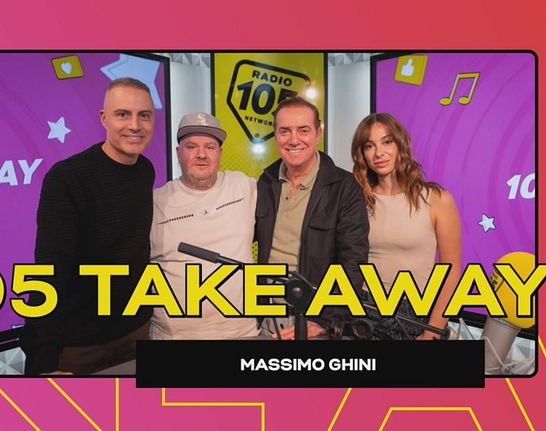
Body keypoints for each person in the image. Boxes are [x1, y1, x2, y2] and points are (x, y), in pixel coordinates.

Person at [21, 77, 156, 375]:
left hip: (137, 331)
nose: (135, 125)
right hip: (78, 346)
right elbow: (49, 271)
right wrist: (43, 358)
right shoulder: (68, 178)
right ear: (104, 118)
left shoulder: (145, 170)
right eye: (123, 114)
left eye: (144, 115)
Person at [255, 97, 369, 339]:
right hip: (266, 316)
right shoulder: (265, 182)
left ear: (318, 134)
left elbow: (353, 262)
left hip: (315, 319)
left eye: (303, 130)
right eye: (284, 131)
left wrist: (323, 321)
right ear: (275, 136)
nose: (293, 139)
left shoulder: (344, 187)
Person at [350, 113, 462, 340]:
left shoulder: (437, 199)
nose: (378, 153)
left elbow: (451, 271)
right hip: (362, 309)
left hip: (413, 313)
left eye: (387, 142)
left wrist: (433, 330)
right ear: (362, 154)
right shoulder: (356, 199)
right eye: (369, 146)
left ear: (401, 144)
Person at [150, 112, 259, 339]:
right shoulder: (155, 201)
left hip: (241, 334)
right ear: (178, 153)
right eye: (191, 147)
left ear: (220, 153)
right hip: (173, 337)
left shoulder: (243, 186)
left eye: (210, 147)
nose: (201, 154)